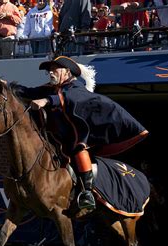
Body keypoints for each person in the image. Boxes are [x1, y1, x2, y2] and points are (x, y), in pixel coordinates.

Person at [13, 56, 148, 215]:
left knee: (79, 149)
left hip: (80, 135)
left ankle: (87, 193)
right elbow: (28, 92)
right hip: (57, 137)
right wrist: (3, 85)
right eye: (49, 70)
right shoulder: (50, 88)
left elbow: (73, 99)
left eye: (54, 69)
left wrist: (48, 100)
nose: (50, 72)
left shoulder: (75, 87)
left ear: (67, 72)